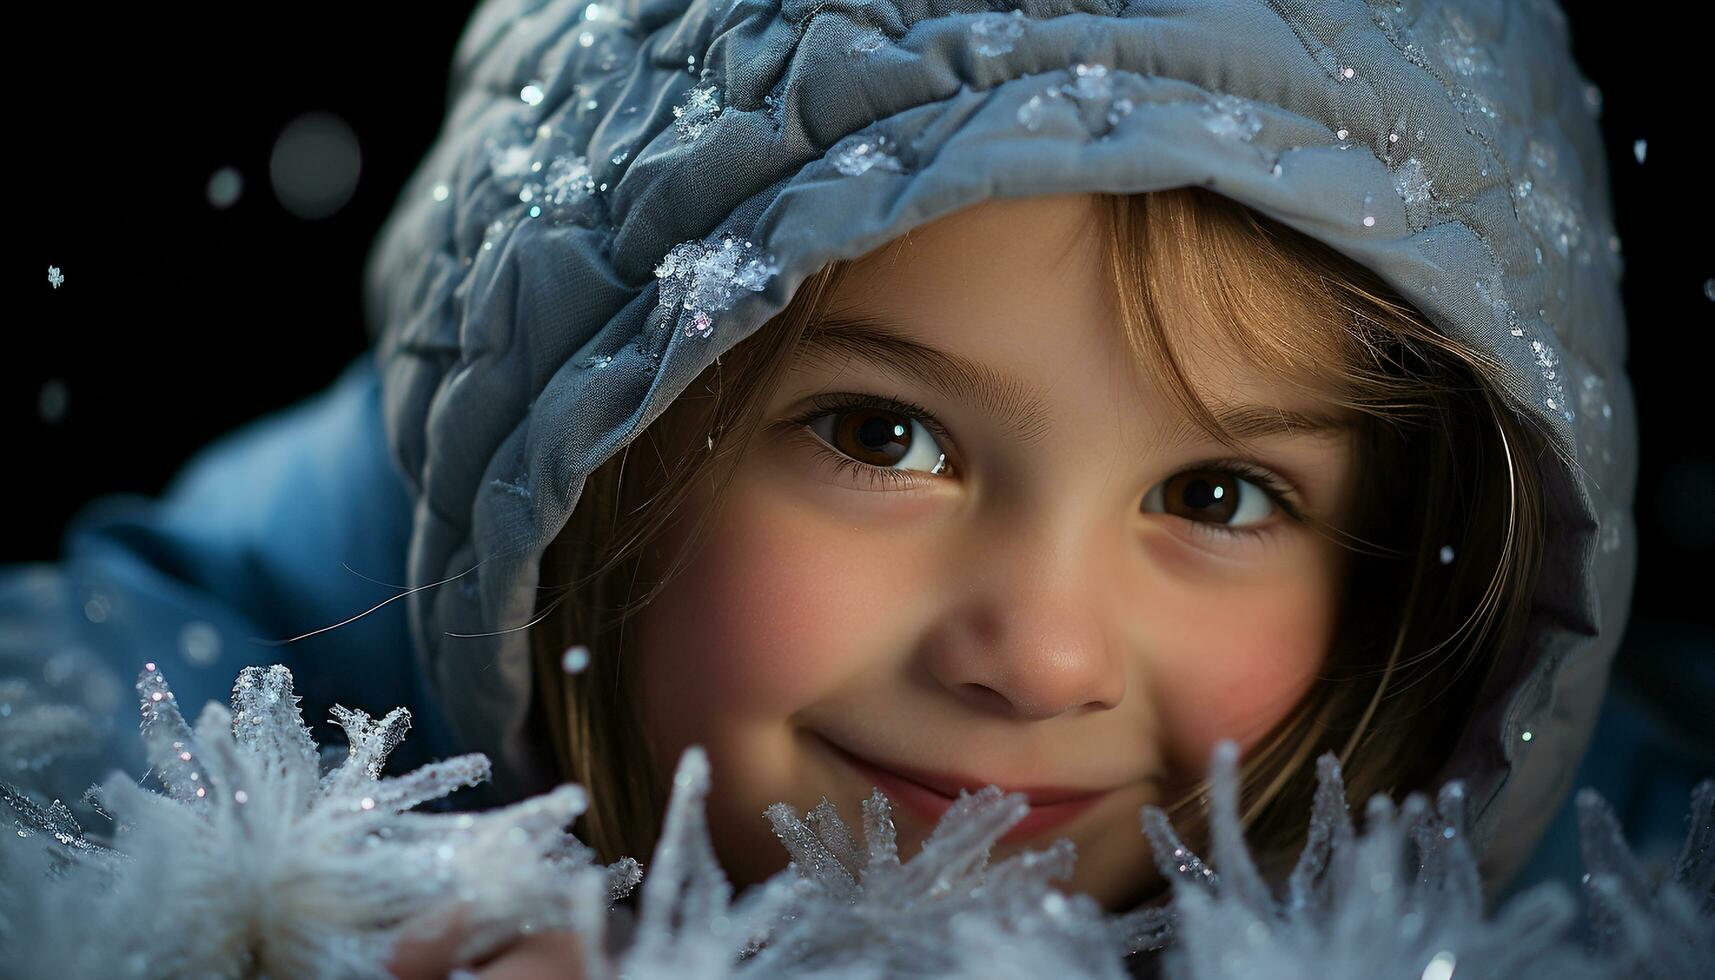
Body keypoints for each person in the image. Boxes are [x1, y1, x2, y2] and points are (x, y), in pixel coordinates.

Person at [1, 0, 1648, 976]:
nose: (1042, 656)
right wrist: (282, 904)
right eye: (884, 437)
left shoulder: (1536, 879)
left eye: (1217, 498)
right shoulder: (290, 639)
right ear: (590, 425)